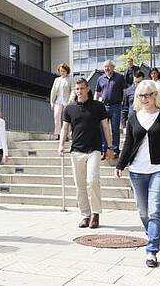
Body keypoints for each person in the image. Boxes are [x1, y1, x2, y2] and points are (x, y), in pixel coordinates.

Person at [115, 80, 160, 268]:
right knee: (143, 211)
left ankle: (152, 250)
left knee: (155, 211)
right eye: (141, 95)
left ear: (156, 95)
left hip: (159, 169)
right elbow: (128, 143)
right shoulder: (133, 117)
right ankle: (152, 234)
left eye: (148, 94)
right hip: (137, 171)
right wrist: (120, 165)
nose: (145, 98)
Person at [58, 78, 113, 229]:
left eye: (82, 88)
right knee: (80, 185)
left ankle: (95, 213)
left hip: (94, 150)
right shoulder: (69, 108)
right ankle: (85, 215)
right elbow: (65, 128)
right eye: (77, 89)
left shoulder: (98, 106)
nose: (79, 91)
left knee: (92, 180)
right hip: (76, 151)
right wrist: (61, 144)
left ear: (88, 89)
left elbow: (106, 127)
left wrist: (110, 147)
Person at [94, 60, 126, 158]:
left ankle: (115, 150)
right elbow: (97, 92)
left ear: (113, 67)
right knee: (102, 129)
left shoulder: (120, 77)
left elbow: (125, 91)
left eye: (109, 66)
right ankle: (104, 150)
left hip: (116, 106)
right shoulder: (100, 79)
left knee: (115, 129)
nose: (107, 69)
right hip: (103, 107)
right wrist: (94, 105)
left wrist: (124, 104)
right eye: (105, 67)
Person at [49, 63, 75, 140]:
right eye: (60, 71)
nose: (62, 72)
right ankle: (58, 134)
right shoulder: (57, 80)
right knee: (56, 116)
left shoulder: (70, 79)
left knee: (66, 119)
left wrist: (70, 101)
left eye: (63, 71)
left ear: (67, 71)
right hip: (58, 101)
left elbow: (73, 90)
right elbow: (53, 91)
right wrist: (52, 102)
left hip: (67, 101)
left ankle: (67, 135)